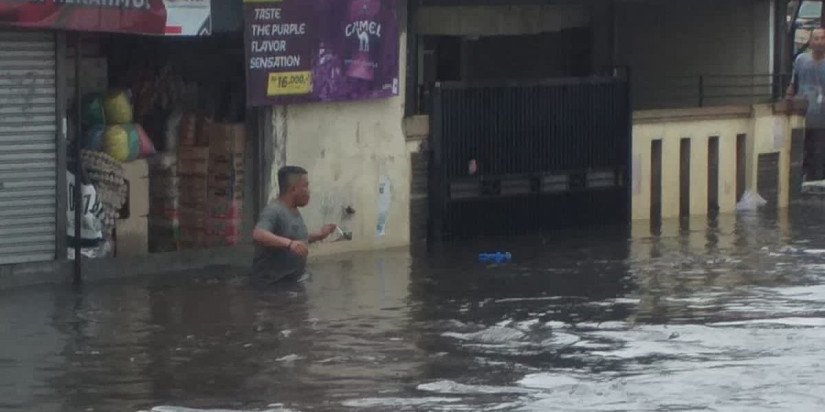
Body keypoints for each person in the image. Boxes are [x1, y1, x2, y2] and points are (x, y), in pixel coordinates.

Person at [251, 166, 336, 283]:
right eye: (305, 186)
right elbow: (258, 234)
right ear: (293, 189)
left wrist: (320, 235)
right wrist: (289, 244)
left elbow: (296, 240)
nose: (309, 191)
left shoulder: (293, 210)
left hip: (292, 282)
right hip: (273, 287)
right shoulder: (274, 210)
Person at [787, 28, 825, 181]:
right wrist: (788, 100)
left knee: (818, 152)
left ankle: (816, 183)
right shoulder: (801, 60)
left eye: (823, 38)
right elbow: (793, 84)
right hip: (800, 116)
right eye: (816, 38)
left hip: (821, 118)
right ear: (810, 42)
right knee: (799, 151)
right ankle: (799, 182)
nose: (819, 42)